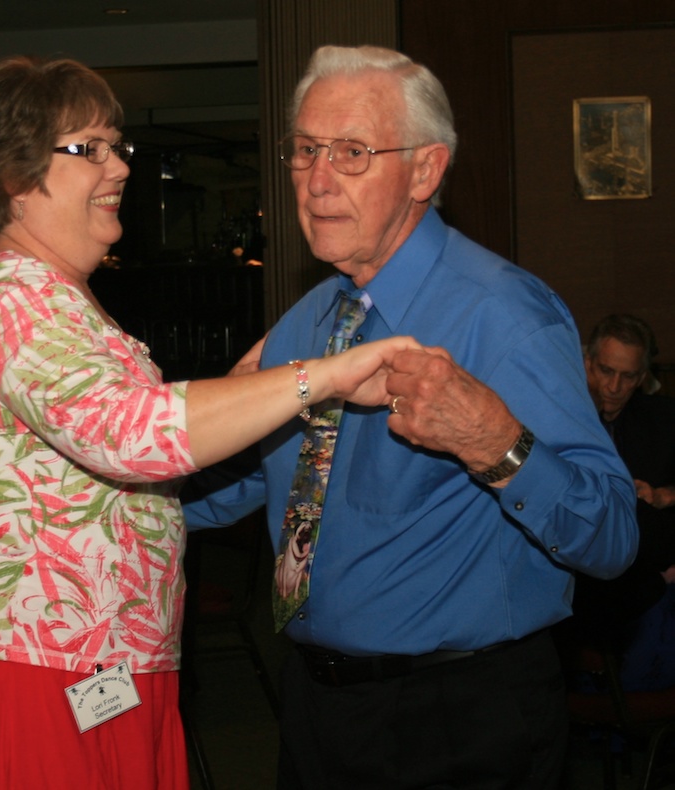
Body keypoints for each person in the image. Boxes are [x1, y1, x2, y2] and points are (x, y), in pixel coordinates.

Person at [0, 55, 419, 790]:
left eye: (116, 144)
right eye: (88, 149)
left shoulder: (57, 299)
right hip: (22, 666)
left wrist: (246, 387)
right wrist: (327, 376)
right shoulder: (9, 299)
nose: (121, 166)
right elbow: (132, 435)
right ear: (13, 179)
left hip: (91, 664)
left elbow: (126, 440)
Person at [182, 45, 638, 789]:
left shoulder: (503, 316)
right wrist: (105, 491)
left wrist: (498, 444)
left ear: (426, 170)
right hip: (314, 706)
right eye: (305, 150)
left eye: (352, 153)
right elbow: (243, 483)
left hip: (458, 718)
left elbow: (615, 535)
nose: (317, 179)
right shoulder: (305, 326)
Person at [570, 314, 675, 690]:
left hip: (650, 571)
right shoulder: (564, 420)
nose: (614, 386)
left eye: (628, 376)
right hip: (584, 581)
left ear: (643, 376)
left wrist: (664, 496)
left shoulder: (662, 420)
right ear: (587, 364)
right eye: (605, 370)